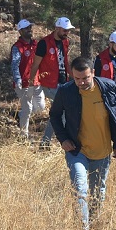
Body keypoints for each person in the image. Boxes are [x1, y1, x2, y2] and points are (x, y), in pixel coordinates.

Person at [49, 56, 116, 230]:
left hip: (102, 150)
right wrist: (63, 138)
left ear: (93, 73)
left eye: (85, 78)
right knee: (80, 188)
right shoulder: (66, 91)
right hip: (77, 150)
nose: (81, 82)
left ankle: (93, 224)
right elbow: (55, 115)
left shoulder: (108, 87)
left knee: (97, 192)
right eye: (77, 79)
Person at [29, 16, 74, 148]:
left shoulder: (65, 42)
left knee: (58, 114)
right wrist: (32, 81)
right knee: (65, 110)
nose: (67, 33)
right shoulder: (44, 43)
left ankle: (45, 142)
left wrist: (74, 76)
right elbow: (35, 64)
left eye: (68, 30)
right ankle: (59, 140)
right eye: (65, 30)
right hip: (49, 84)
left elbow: (65, 63)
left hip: (62, 82)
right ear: (57, 28)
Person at [11, 19, 38, 137]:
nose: (30, 30)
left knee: (40, 106)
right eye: (27, 28)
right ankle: (23, 135)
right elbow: (14, 64)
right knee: (28, 109)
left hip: (36, 81)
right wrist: (18, 80)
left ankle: (20, 115)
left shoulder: (36, 44)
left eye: (30, 27)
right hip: (23, 83)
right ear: (20, 31)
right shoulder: (17, 47)